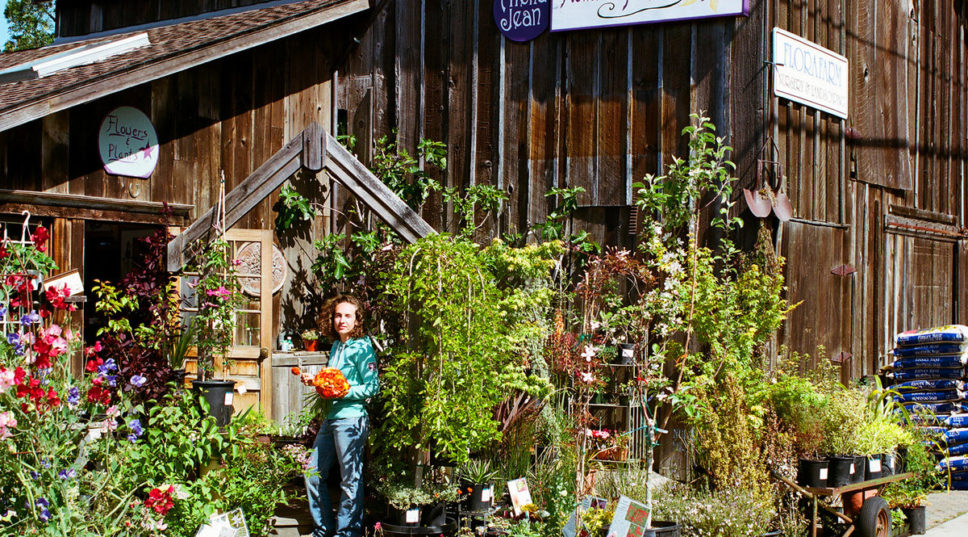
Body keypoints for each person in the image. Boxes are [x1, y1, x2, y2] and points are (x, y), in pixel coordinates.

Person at [301, 294, 379, 537]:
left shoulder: (363, 346)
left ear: (357, 320)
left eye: (347, 316)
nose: (341, 320)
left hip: (352, 420)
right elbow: (331, 384)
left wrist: (344, 391)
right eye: (337, 315)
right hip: (332, 418)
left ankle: (347, 533)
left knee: (350, 480)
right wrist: (314, 380)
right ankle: (323, 529)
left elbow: (372, 387)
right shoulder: (336, 346)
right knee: (312, 474)